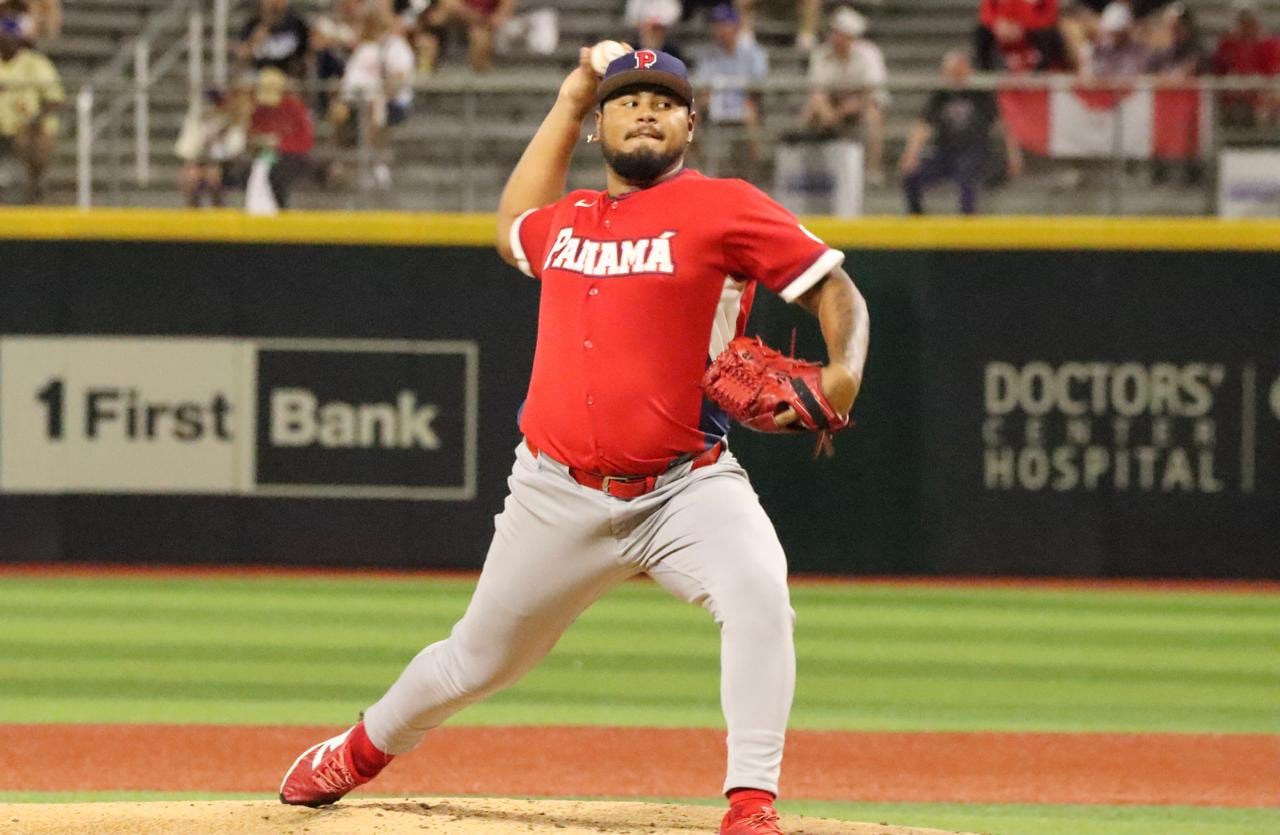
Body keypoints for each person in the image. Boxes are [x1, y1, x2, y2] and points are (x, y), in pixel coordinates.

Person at [278, 47, 869, 835]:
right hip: (554, 492)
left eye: (664, 100)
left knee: (760, 592)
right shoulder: (570, 221)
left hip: (685, 486)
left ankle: (752, 802)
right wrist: (566, 99)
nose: (647, 110)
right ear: (600, 126)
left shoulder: (726, 206)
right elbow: (510, 228)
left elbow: (837, 288)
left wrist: (843, 376)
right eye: (628, 101)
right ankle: (358, 748)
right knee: (475, 660)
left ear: (692, 124)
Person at [900, 51, 1022, 214]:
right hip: (945, 152)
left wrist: (1014, 155)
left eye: (958, 72)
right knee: (912, 176)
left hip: (976, 150)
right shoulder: (940, 96)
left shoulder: (981, 94)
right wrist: (911, 155)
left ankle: (967, 220)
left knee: (966, 173)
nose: (954, 77)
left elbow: (1003, 126)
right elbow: (923, 126)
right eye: (950, 73)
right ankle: (916, 217)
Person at [799, 6, 887, 185]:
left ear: (852, 37)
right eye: (834, 33)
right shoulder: (821, 54)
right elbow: (817, 91)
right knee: (809, 113)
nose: (836, 38)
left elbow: (872, 92)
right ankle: (809, 170)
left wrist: (848, 107)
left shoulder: (869, 54)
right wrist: (828, 112)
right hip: (831, 103)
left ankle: (872, 170)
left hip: (861, 104)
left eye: (841, 34)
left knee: (874, 117)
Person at [330, 7, 415, 189]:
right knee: (338, 111)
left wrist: (380, 93)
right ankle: (340, 162)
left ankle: (375, 165)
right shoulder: (364, 49)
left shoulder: (395, 47)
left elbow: (399, 80)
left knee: (372, 108)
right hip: (356, 100)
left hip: (390, 102)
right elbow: (350, 79)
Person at [692, 3, 768, 179]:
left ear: (736, 26)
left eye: (724, 24)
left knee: (750, 114)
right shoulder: (708, 55)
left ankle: (755, 174)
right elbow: (704, 90)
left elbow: (757, 89)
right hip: (716, 108)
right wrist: (703, 105)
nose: (720, 29)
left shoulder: (753, 52)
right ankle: (701, 173)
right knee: (691, 117)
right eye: (716, 24)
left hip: (745, 106)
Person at [0, 13, 61, 203]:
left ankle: (35, 191)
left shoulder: (35, 62)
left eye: (10, 35)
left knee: (34, 140)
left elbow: (54, 99)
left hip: (26, 125)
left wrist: (35, 120)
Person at [246, 67, 314, 208]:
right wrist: (260, 140)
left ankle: (281, 211)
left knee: (277, 174)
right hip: (263, 156)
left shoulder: (294, 107)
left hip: (291, 155)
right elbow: (252, 134)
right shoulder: (260, 109)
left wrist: (279, 143)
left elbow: (305, 139)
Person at [1211, 0, 1280, 126]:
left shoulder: (1270, 44)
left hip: (1260, 100)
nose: (1245, 25)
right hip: (1232, 99)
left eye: (1249, 20)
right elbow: (1217, 72)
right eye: (1242, 20)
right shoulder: (1227, 45)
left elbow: (1273, 75)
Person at [175, 89, 247, 207]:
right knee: (191, 174)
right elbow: (185, 149)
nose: (209, 108)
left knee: (212, 173)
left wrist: (219, 142)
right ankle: (193, 211)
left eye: (213, 104)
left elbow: (235, 149)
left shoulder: (232, 123)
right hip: (200, 161)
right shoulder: (195, 123)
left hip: (227, 165)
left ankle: (217, 207)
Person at [416, 0, 516, 73]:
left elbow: (502, 13)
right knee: (427, 37)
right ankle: (425, 80)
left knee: (480, 38)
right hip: (460, 21)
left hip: (485, 26)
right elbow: (449, 5)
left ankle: (480, 87)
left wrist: (489, 20)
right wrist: (475, 17)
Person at [973, 0, 1067, 72]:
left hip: (1031, 31)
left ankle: (1043, 71)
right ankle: (983, 70)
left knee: (1050, 33)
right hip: (1004, 29)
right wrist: (997, 24)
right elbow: (985, 12)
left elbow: (1050, 15)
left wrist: (1023, 26)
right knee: (982, 31)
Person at [238, 0, 311, 78]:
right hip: (258, 75)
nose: (274, 3)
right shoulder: (253, 24)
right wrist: (254, 40)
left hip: (289, 76)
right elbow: (242, 56)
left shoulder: (296, 24)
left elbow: (307, 53)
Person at [627, 0, 688, 65]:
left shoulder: (673, 54)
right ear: (640, 27)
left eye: (659, 29)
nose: (655, 34)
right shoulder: (629, 52)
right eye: (653, 28)